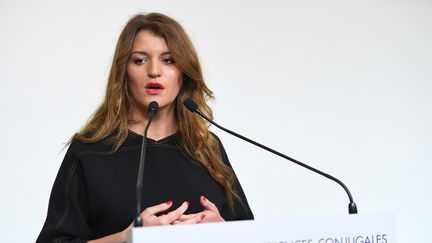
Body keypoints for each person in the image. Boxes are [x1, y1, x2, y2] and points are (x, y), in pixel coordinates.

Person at [36, 12, 254, 243]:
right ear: (124, 72)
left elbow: (254, 236)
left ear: (184, 73)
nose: (154, 71)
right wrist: (125, 238)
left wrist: (223, 231)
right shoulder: (88, 151)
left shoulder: (208, 148)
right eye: (140, 60)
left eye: (168, 60)